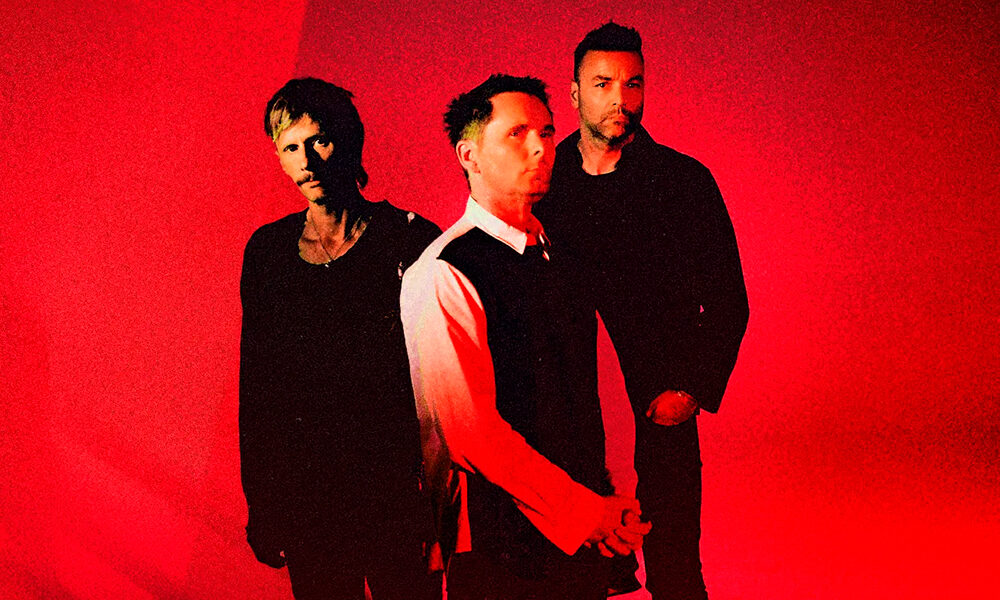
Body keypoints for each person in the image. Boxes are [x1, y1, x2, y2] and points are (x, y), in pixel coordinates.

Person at [400, 74, 651, 600]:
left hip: (585, 541)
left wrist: (614, 501)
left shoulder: (560, 256)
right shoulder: (444, 271)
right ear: (469, 155)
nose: (540, 147)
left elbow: (595, 391)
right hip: (501, 552)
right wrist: (589, 514)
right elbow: (473, 435)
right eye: (517, 133)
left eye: (547, 131)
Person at [535, 23, 750, 600]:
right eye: (603, 84)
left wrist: (691, 389)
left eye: (633, 84)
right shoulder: (544, 182)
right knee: (580, 577)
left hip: (659, 409)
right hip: (572, 416)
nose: (620, 99)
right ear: (574, 93)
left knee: (676, 572)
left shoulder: (683, 180)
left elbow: (728, 298)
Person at [238, 77, 442, 600]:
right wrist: (262, 503)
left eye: (319, 141)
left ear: (350, 139)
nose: (306, 161)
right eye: (290, 148)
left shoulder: (410, 239)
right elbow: (258, 388)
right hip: (311, 503)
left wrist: (439, 502)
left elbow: (440, 388)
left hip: (397, 497)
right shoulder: (267, 253)